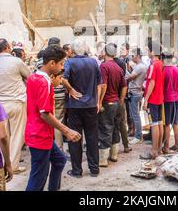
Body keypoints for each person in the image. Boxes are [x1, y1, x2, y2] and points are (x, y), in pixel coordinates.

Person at [25, 45, 81, 191]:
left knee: (60, 160)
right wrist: (66, 130)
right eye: (61, 64)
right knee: (38, 179)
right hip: (40, 135)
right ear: (52, 63)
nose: (62, 67)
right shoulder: (44, 83)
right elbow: (45, 113)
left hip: (38, 133)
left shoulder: (33, 77)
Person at [62, 40, 103, 178]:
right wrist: (97, 101)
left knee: (75, 138)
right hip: (91, 105)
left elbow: (63, 79)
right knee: (92, 137)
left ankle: (77, 170)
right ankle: (94, 169)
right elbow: (99, 83)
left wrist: (71, 90)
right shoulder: (93, 62)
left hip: (75, 106)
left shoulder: (69, 62)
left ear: (73, 50)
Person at [0, 38, 31, 173]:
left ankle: (3, 163)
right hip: (16, 101)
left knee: (4, 135)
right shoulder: (16, 61)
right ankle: (12, 166)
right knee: (17, 135)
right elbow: (30, 77)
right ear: (8, 47)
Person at [97, 43, 127, 167]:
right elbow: (124, 86)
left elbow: (103, 85)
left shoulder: (104, 66)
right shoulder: (118, 68)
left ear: (105, 52)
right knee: (115, 128)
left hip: (107, 102)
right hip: (116, 102)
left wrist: (99, 101)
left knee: (105, 129)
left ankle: (103, 160)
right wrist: (120, 100)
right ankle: (114, 155)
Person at [140, 41, 164, 160]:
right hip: (160, 97)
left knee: (154, 124)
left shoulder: (153, 65)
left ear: (153, 52)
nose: (147, 53)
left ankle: (153, 151)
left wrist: (146, 100)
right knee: (159, 123)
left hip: (154, 98)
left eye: (148, 50)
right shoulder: (161, 64)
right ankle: (158, 149)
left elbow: (152, 83)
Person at [162, 52, 178, 153]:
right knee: (176, 123)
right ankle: (177, 145)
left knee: (167, 124)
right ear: (172, 59)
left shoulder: (163, 71)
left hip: (166, 100)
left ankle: (166, 147)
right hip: (176, 98)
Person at [126, 48, 148, 144]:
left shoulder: (140, 67)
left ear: (137, 56)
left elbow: (130, 78)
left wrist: (124, 72)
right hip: (136, 92)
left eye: (133, 55)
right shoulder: (139, 66)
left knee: (135, 116)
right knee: (134, 115)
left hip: (135, 93)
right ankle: (137, 135)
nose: (132, 57)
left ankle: (138, 136)